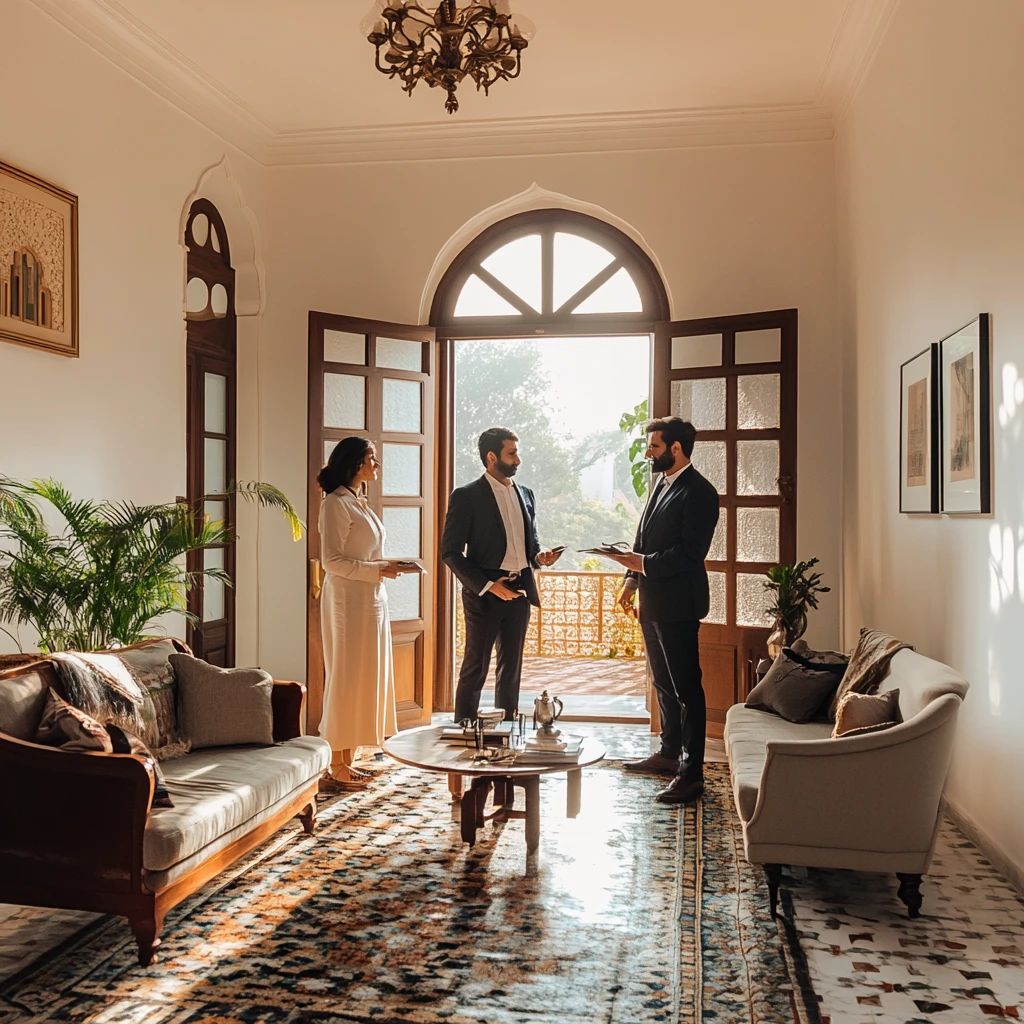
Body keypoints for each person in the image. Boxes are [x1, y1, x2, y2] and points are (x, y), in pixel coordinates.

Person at [603, 417, 719, 805]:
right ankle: (669, 755)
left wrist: (642, 564)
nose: (648, 453)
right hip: (651, 602)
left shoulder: (700, 492)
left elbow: (690, 553)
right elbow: (642, 539)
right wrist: (631, 582)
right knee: (663, 684)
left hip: (680, 604)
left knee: (688, 689)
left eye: (653, 446)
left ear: (675, 448)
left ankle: (692, 773)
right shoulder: (660, 485)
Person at [442, 427, 563, 723]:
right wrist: (487, 586)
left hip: (520, 592)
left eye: (517, 452)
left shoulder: (526, 494)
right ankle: (464, 729)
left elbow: (530, 543)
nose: (518, 460)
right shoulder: (466, 496)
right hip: (484, 594)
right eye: (512, 453)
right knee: (476, 666)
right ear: (491, 456)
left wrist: (540, 557)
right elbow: (450, 552)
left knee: (511, 668)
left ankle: (508, 729)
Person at [317, 437, 417, 784]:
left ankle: (349, 757)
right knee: (346, 676)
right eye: (372, 458)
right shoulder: (335, 504)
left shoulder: (357, 501)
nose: (377, 465)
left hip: (370, 599)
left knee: (363, 677)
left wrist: (388, 565)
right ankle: (336, 765)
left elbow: (363, 554)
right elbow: (331, 561)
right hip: (347, 602)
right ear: (356, 462)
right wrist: (376, 570)